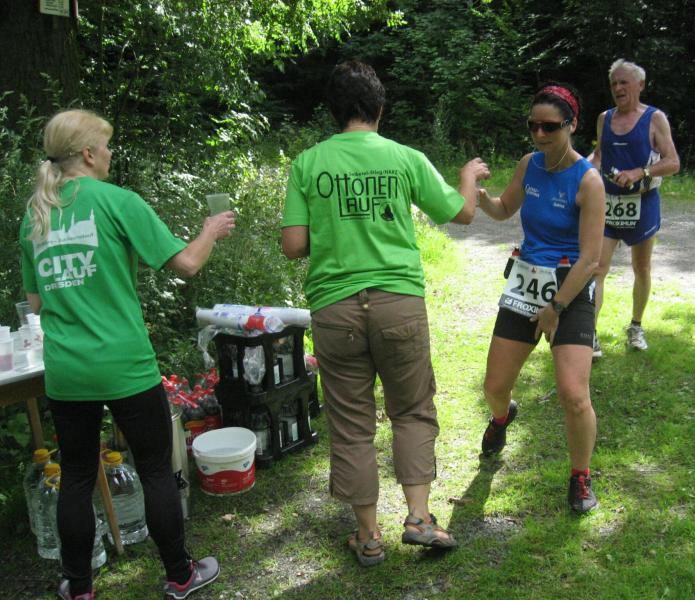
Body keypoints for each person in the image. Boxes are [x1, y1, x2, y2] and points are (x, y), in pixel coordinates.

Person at [19, 109, 234, 600]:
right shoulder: (118, 202)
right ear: (88, 154)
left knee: (76, 477)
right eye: (106, 145)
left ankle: (79, 587)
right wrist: (210, 230)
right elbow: (187, 264)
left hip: (67, 371)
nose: (111, 153)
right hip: (125, 364)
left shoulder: (34, 215)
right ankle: (180, 575)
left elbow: (35, 303)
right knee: (155, 468)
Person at [281, 60, 489, 565]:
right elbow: (462, 213)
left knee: (351, 424)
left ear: (334, 112)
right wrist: (467, 176)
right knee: (412, 409)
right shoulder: (404, 157)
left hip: (335, 309)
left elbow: (293, 245)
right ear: (378, 107)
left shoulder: (308, 164)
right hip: (398, 303)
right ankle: (419, 519)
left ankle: (368, 536)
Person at [476, 83, 605, 513]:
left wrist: (556, 308)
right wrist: (481, 197)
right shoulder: (528, 164)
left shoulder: (588, 181)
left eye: (550, 126)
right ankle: (502, 417)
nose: (539, 134)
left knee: (573, 394)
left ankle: (580, 477)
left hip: (570, 288)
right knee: (494, 386)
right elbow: (503, 209)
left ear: (572, 125)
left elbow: (591, 259)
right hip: (527, 282)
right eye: (533, 125)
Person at [588, 59, 680, 357]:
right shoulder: (604, 118)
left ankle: (636, 326)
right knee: (597, 268)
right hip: (609, 203)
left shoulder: (655, 119)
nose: (618, 88)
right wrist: (583, 170)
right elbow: (599, 156)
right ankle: (590, 334)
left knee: (641, 267)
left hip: (643, 202)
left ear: (640, 85)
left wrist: (641, 172)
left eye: (623, 82)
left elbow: (673, 162)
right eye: (614, 83)